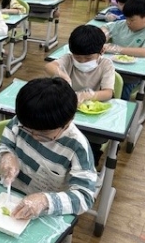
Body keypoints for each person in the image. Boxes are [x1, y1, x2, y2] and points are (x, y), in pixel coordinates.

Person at [0, 77, 96, 243]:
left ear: (67, 122)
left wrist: (44, 200)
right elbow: (4, 144)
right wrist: (6, 156)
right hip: (9, 199)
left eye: (42, 134)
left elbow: (85, 196)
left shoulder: (77, 147)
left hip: (44, 216)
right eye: (28, 129)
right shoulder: (21, 122)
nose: (33, 136)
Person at [45, 25, 116, 166]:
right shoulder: (69, 59)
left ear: (102, 51)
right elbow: (49, 66)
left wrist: (87, 95)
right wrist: (62, 75)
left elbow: (108, 92)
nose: (82, 61)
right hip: (67, 113)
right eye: (78, 57)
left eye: (88, 58)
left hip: (91, 116)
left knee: (88, 149)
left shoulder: (106, 64)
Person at [101, 0, 145, 100]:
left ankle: (121, 107)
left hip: (134, 74)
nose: (128, 22)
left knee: (123, 87)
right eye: (126, 18)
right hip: (113, 67)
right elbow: (105, 28)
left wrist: (116, 49)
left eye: (131, 20)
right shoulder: (122, 25)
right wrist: (104, 35)